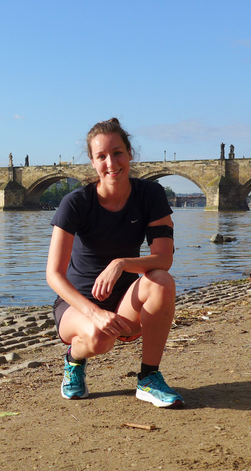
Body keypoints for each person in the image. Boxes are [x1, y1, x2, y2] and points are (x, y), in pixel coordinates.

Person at [46, 118, 183, 408]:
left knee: (161, 280)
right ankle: (74, 361)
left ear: (130, 153)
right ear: (93, 163)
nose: (111, 163)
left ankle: (149, 378)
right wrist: (95, 313)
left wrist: (121, 263)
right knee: (99, 338)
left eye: (118, 152)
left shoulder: (150, 195)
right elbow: (54, 275)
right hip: (77, 305)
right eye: (102, 156)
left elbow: (164, 258)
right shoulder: (75, 203)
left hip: (125, 302)